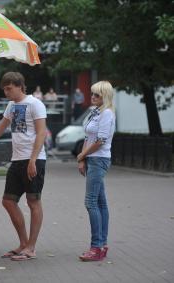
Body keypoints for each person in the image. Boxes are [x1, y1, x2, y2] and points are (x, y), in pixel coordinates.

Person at [0, 72, 47, 261]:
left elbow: (41, 134)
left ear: (19, 86)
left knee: (33, 202)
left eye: (9, 88)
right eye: (4, 89)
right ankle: (23, 243)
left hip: (34, 159)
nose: (6, 92)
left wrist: (33, 160)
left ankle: (31, 247)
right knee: (8, 201)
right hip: (17, 160)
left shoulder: (35, 104)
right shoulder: (11, 106)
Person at [76, 81, 116, 261]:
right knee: (100, 202)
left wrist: (82, 154)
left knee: (91, 202)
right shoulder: (95, 112)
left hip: (99, 159)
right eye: (92, 94)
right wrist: (83, 158)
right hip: (92, 159)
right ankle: (102, 245)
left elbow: (100, 141)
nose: (92, 97)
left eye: (97, 95)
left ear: (105, 96)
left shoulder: (107, 113)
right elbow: (88, 136)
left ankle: (96, 246)